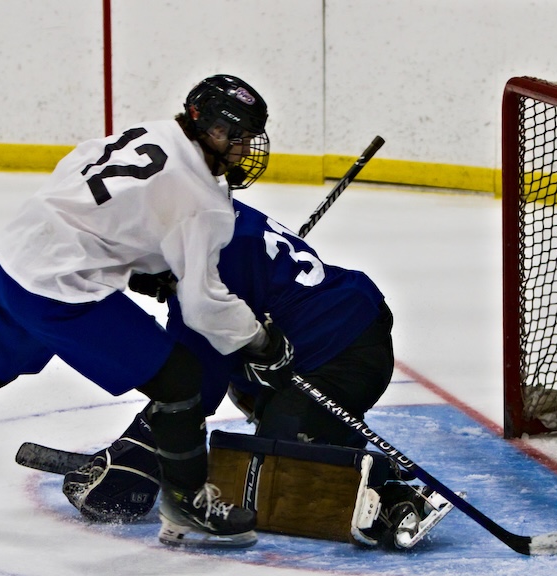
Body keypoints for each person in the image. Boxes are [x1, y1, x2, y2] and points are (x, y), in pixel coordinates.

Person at [0, 74, 295, 550]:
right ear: (212, 130)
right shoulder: (203, 200)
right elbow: (205, 307)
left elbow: (83, 180)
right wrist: (261, 341)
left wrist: (135, 265)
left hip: (17, 257)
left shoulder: (151, 133)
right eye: (238, 136)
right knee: (180, 379)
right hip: (62, 289)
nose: (245, 149)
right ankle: (187, 503)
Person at [65, 200, 453, 548]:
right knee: (250, 406)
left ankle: (390, 500)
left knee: (271, 485)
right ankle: (325, 439)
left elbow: (190, 389)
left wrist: (137, 457)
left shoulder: (203, 274)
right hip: (315, 338)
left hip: (343, 351)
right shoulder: (198, 214)